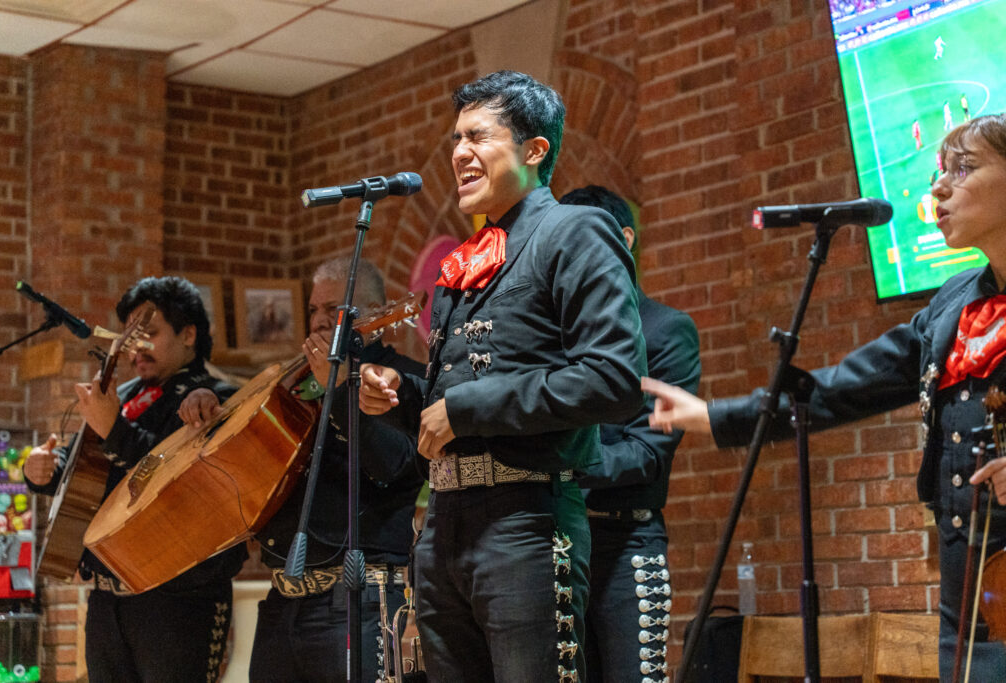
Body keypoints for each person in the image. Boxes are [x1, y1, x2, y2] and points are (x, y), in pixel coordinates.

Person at [642, 113, 1006, 680]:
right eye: (941, 170)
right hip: (972, 594)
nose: (938, 187)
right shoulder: (953, 304)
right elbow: (842, 389)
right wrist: (717, 415)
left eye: (964, 169)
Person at [359, 70, 647, 682]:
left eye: (477, 136)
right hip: (444, 523)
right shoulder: (469, 258)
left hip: (525, 518)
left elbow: (614, 376)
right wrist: (404, 394)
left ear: (535, 150)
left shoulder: (573, 230)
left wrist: (466, 410)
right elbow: (456, 392)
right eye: (455, 139)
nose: (459, 152)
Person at [178, 258, 426, 683]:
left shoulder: (404, 378)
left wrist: (343, 388)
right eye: (313, 310)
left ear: (374, 313)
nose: (317, 321)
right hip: (283, 599)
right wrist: (211, 407)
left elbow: (395, 466)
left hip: (356, 600)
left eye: (333, 310)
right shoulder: (295, 385)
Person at [24, 276, 246, 683]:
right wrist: (42, 469)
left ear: (189, 334)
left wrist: (114, 429)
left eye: (150, 332)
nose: (135, 347)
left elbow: (180, 485)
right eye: (129, 336)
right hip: (108, 600)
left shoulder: (218, 398)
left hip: (179, 602)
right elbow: (78, 463)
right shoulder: (122, 393)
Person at [559, 185, 701, 682]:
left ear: (624, 239)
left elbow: (646, 453)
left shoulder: (664, 330)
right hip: (556, 542)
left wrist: (560, 460)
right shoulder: (554, 335)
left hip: (626, 542)